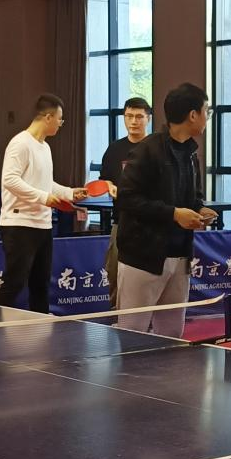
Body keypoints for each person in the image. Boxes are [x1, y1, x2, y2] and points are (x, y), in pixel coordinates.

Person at [116, 83, 217, 337]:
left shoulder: (191, 153)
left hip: (180, 255)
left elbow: (193, 197)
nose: (207, 117)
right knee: (132, 334)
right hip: (143, 256)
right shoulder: (147, 150)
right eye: (206, 111)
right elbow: (127, 199)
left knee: (172, 334)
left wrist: (200, 209)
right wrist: (173, 214)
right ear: (193, 115)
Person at [0, 94, 87, 313]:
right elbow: (10, 180)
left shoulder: (45, 147)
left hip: (43, 225)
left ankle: (41, 327)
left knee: (41, 284)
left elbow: (46, 183)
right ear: (48, 117)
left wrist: (69, 193)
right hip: (19, 224)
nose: (60, 124)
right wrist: (43, 197)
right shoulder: (20, 143)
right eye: (60, 119)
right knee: (15, 282)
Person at [96, 97, 151, 309]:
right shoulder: (114, 149)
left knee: (147, 275)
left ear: (148, 119)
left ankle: (147, 318)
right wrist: (109, 185)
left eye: (139, 117)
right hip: (121, 221)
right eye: (129, 116)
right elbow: (105, 179)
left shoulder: (156, 147)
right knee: (114, 271)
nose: (133, 121)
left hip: (151, 223)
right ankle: (118, 315)